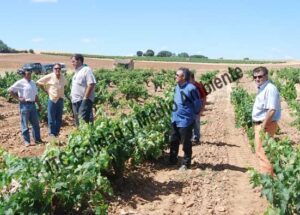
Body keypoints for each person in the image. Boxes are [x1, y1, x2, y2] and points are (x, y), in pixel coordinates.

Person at [169, 67, 201, 170]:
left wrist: (193, 115)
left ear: (183, 77)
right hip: (175, 118)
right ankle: (172, 160)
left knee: (186, 143)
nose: (175, 76)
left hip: (186, 121)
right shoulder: (177, 87)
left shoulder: (191, 88)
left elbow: (197, 104)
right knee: (173, 140)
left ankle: (186, 163)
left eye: (177, 75)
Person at [252, 66, 281, 176]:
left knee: (263, 154)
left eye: (260, 76)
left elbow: (272, 110)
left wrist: (263, 126)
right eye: (255, 77)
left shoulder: (270, 88)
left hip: (266, 125)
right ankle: (268, 178)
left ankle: (268, 181)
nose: (257, 79)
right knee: (262, 152)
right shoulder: (262, 88)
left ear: (266, 76)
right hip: (262, 124)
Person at [8, 68, 43, 146]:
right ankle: (27, 141)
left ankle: (37, 139)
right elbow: (10, 90)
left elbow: (36, 95)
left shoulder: (33, 83)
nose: (29, 75)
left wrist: (39, 105)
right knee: (25, 124)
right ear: (24, 74)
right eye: (28, 74)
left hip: (33, 105)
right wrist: (18, 98)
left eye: (30, 73)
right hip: (24, 105)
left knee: (35, 124)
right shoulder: (20, 82)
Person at [37, 63, 67, 137]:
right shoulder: (50, 76)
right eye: (56, 68)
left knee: (59, 117)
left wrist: (61, 93)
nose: (57, 70)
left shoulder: (63, 77)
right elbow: (39, 82)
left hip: (60, 99)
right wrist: (46, 91)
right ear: (53, 69)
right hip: (52, 99)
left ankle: (56, 132)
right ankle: (51, 133)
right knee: (51, 117)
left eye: (59, 68)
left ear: (61, 69)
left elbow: (65, 86)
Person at [70, 54, 96, 127]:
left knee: (84, 121)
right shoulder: (76, 72)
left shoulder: (86, 70)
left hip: (83, 101)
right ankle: (80, 136)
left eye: (73, 61)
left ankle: (88, 137)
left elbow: (91, 83)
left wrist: (85, 98)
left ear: (79, 61)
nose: (72, 63)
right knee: (78, 122)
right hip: (75, 101)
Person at [190, 72, 207, 144]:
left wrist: (202, 109)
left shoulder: (199, 86)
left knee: (196, 123)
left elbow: (205, 97)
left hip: (197, 109)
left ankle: (196, 139)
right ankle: (189, 139)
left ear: (192, 78)